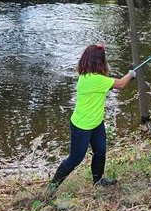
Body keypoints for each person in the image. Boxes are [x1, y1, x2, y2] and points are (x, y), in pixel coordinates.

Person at [48, 44, 136, 191]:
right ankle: (51, 187)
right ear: (99, 62)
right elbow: (120, 84)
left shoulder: (88, 77)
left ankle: (98, 180)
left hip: (96, 123)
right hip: (82, 126)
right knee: (74, 159)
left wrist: (128, 77)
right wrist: (131, 74)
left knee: (100, 151)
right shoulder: (95, 80)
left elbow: (110, 84)